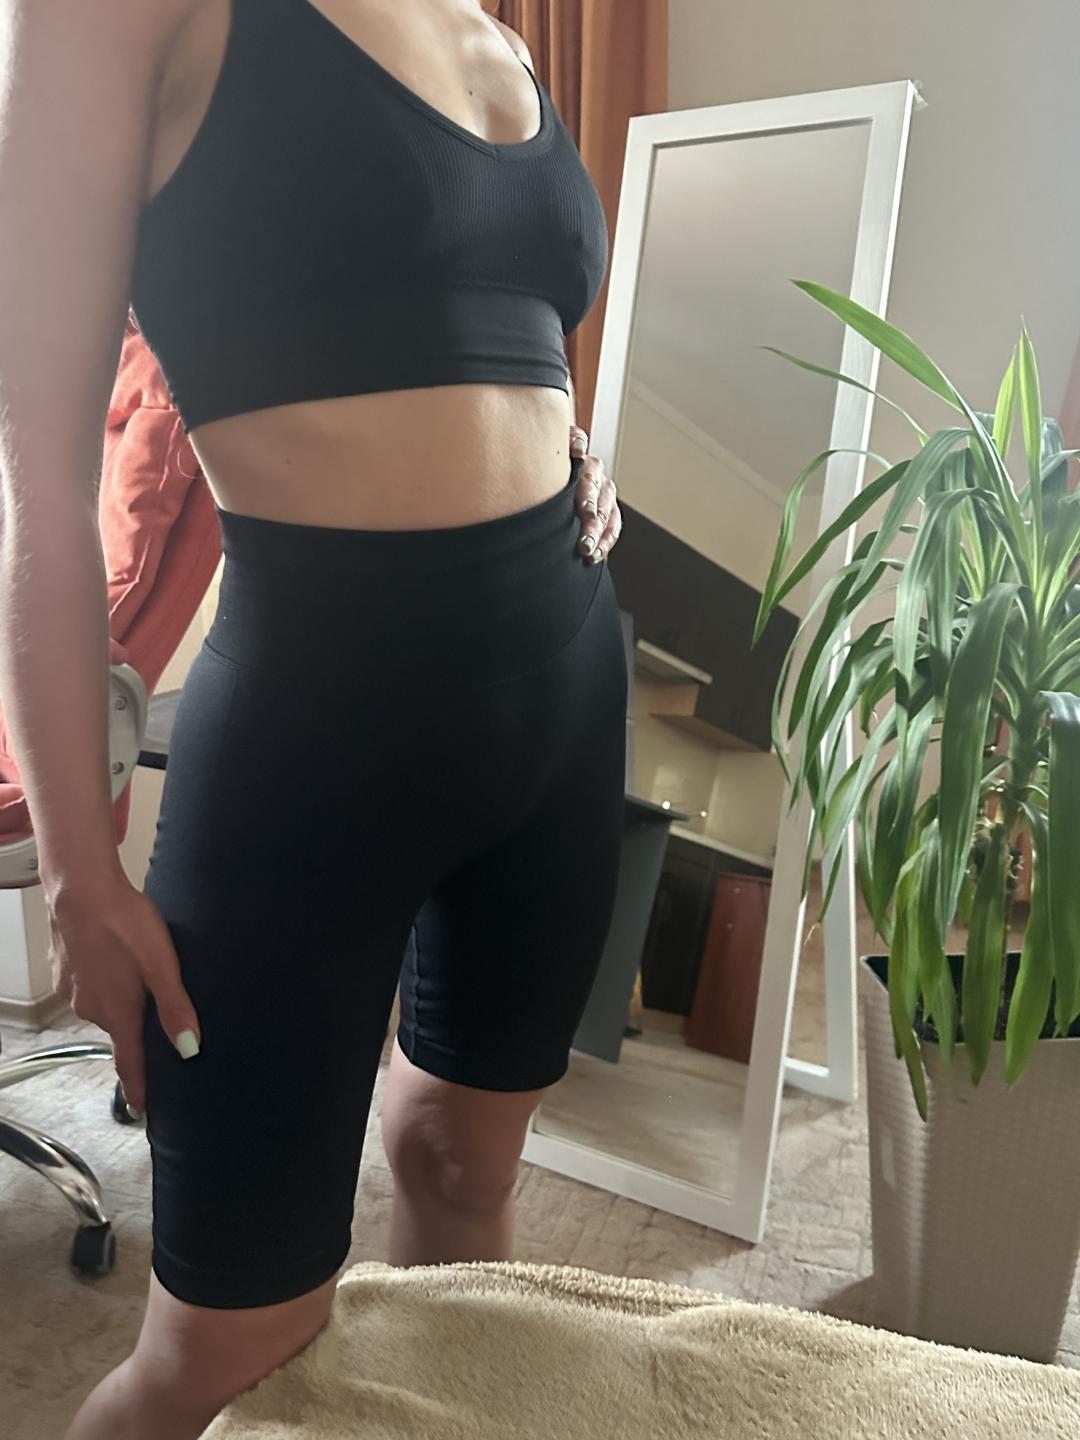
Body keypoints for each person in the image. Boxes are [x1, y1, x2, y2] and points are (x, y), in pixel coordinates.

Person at [0, 1, 627, 1436]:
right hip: (316, 743)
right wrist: (82, 872)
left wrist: (570, 447)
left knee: (465, 1166)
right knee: (219, 1353)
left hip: (564, 694)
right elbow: (39, 473)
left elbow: (482, 318)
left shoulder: (484, 24)